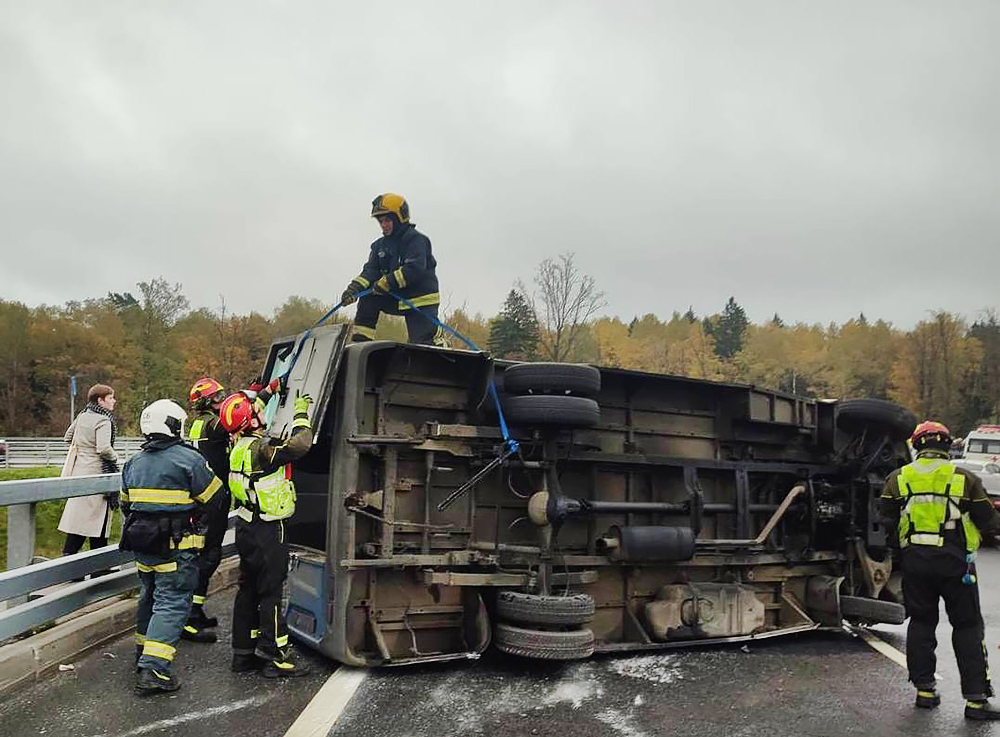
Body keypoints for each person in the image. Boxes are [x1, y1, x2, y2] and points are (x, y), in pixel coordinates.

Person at [880, 420, 1000, 721]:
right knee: (967, 626)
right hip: (956, 562)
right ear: (948, 445)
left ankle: (925, 691)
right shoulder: (964, 477)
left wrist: (903, 551)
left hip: (915, 562)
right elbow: (989, 521)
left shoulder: (897, 479)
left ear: (917, 446)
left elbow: (886, 522)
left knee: (921, 623)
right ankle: (976, 700)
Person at [120, 399, 224, 695]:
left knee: (149, 596)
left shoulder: (133, 462)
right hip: (176, 548)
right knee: (173, 601)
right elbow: (215, 497)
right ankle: (154, 669)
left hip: (143, 547)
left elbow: (126, 505)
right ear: (175, 425)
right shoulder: (188, 459)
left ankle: (143, 653)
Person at [218, 380, 312, 677]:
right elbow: (300, 444)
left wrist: (269, 390)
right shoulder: (262, 449)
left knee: (248, 589)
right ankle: (274, 656)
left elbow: (248, 411)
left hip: (246, 527)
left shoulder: (237, 446)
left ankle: (243, 655)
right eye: (257, 412)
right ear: (251, 421)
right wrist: (300, 413)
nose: (262, 414)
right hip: (270, 529)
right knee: (271, 591)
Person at [340, 193, 446, 346]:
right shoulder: (379, 246)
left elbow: (414, 269)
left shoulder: (415, 240)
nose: (384, 225)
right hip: (395, 296)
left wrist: (387, 282)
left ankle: (437, 338)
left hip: (419, 300)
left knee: (423, 345)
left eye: (387, 220)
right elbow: (371, 271)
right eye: (381, 221)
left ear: (399, 218)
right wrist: (353, 289)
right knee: (368, 298)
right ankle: (360, 344)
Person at [182, 377, 232, 643]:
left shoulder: (200, 422)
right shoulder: (214, 424)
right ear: (207, 402)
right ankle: (189, 615)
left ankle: (196, 609)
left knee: (207, 555)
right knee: (208, 556)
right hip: (213, 499)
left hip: (206, 497)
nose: (222, 400)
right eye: (217, 397)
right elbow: (238, 417)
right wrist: (262, 393)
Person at [58, 383, 119, 556]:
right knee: (98, 521)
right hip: (98, 473)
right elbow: (104, 448)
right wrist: (117, 459)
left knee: (80, 520)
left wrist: (84, 450)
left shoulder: (83, 415)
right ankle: (97, 566)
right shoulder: (103, 420)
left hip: (79, 472)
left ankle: (69, 560)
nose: (113, 401)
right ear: (100, 400)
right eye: (110, 398)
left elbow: (67, 437)